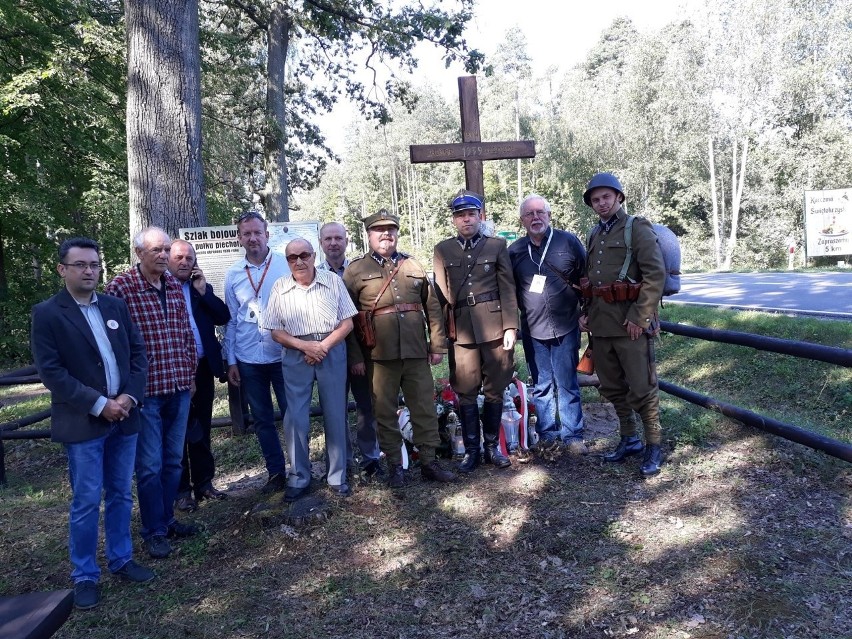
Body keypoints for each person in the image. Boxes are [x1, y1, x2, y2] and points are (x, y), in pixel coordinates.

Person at [31, 237, 154, 609]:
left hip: (125, 415)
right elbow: (52, 372)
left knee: (120, 492)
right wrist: (100, 404)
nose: (89, 271)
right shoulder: (49, 313)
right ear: (62, 269)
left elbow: (137, 355)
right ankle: (85, 574)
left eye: (95, 264)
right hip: (85, 422)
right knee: (86, 499)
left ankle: (121, 559)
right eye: (81, 264)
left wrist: (128, 398)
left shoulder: (115, 305)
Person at [343, 209, 456, 487]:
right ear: (369, 235)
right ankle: (396, 465)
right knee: (384, 411)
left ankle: (429, 462)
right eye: (379, 230)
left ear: (396, 234)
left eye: (390, 230)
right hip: (378, 357)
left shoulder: (412, 266)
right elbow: (346, 317)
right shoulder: (355, 270)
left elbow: (432, 309)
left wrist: (437, 344)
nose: (386, 234)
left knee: (424, 409)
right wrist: (356, 358)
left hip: (416, 353)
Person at [105, 227, 199, 559]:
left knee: (173, 461)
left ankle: (167, 519)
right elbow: (112, 342)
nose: (162, 255)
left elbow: (186, 332)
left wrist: (190, 372)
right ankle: (154, 531)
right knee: (149, 466)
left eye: (165, 249)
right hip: (145, 393)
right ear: (139, 252)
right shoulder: (121, 287)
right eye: (156, 250)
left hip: (178, 386)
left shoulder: (174, 285)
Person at [579, 172, 666, 476]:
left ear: (618, 197)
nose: (601, 203)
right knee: (612, 386)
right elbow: (592, 281)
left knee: (642, 387)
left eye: (606, 197)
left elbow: (655, 276)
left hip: (630, 323)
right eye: (595, 199)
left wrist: (640, 317)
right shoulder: (594, 234)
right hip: (602, 325)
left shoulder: (636, 228)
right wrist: (586, 311)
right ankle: (629, 439)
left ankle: (653, 445)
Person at [264, 238, 358, 501]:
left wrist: (322, 347)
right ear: (287, 261)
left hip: (331, 348)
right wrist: (305, 347)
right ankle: (298, 477)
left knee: (335, 412)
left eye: (304, 255)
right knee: (295, 417)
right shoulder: (280, 287)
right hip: (296, 353)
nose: (299, 261)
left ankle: (337, 476)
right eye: (292, 257)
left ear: (314, 255)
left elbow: (347, 323)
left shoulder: (332, 281)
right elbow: (275, 331)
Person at [432, 191, 518, 473]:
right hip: (463, 331)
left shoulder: (497, 246)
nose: (466, 219)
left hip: (494, 327)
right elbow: (441, 294)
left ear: (480, 216)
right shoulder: (443, 250)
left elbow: (507, 288)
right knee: (466, 390)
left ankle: (492, 447)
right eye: (460, 215)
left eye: (471, 214)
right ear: (454, 220)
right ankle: (472, 451)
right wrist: (445, 334)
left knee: (495, 387)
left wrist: (510, 326)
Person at [509, 194, 588, 454]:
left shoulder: (568, 241)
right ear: (522, 220)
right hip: (533, 328)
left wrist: (587, 312)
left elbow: (587, 280)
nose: (536, 218)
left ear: (549, 215)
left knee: (567, 383)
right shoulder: (516, 251)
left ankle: (573, 436)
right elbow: (508, 290)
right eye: (530, 214)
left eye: (540, 212)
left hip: (566, 324)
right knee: (541, 384)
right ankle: (547, 434)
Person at [223, 211, 290, 493]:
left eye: (257, 232)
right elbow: (231, 318)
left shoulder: (286, 266)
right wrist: (231, 360)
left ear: (267, 234)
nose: (252, 238)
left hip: (284, 355)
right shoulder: (234, 274)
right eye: (246, 233)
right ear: (239, 237)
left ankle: (300, 469)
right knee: (262, 419)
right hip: (249, 358)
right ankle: (276, 472)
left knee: (292, 414)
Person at [167, 239, 231, 512]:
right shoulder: (162, 290)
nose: (184, 262)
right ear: (169, 260)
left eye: (189, 258)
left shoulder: (198, 289)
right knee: (177, 431)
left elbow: (222, 316)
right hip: (174, 369)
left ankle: (204, 483)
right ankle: (181, 491)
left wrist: (204, 291)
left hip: (202, 367)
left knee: (201, 427)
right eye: (179, 257)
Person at [318, 222, 383, 479]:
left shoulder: (358, 270)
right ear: (321, 242)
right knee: (334, 408)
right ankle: (341, 461)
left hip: (359, 349)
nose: (333, 243)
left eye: (338, 238)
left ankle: (371, 459)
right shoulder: (313, 273)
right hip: (329, 351)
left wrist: (358, 354)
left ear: (346, 241)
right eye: (328, 239)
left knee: (366, 405)